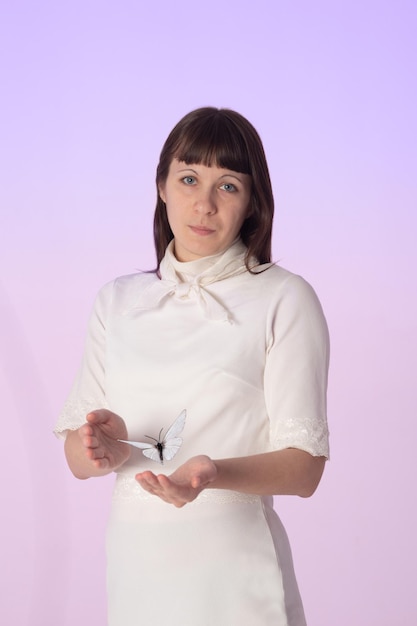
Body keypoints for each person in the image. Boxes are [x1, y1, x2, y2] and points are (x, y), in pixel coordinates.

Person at [54, 107, 330, 626]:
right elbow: (76, 457)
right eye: (188, 179)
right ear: (161, 186)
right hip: (137, 571)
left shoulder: (284, 298)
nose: (203, 204)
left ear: (251, 203)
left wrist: (212, 473)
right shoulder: (118, 301)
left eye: (228, 186)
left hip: (236, 576)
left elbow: (305, 468)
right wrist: (101, 449)